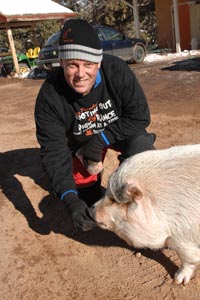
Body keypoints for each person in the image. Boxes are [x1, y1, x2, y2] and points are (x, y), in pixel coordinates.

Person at [34, 18, 156, 232]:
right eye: (73, 64)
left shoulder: (117, 71)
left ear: (99, 62)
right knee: (86, 195)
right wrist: (70, 199)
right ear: (62, 62)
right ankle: (88, 187)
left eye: (88, 64)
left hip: (117, 133)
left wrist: (102, 139)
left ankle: (140, 211)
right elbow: (54, 152)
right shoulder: (49, 96)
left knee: (142, 150)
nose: (81, 74)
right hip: (79, 144)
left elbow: (140, 116)